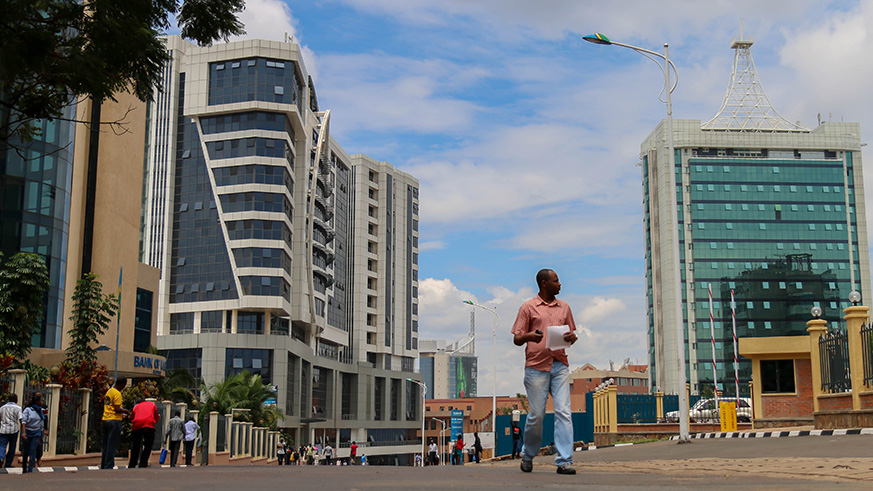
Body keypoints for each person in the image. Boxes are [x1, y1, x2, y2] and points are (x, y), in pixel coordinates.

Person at [511, 268, 578, 475]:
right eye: (556, 281)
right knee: (537, 415)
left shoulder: (564, 307)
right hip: (536, 367)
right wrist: (530, 336)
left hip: (559, 364)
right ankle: (528, 455)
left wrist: (571, 338)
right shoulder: (528, 307)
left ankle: (564, 461)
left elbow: (571, 334)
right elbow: (517, 338)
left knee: (564, 412)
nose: (560, 284)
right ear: (544, 283)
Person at [101, 378, 129, 469]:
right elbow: (117, 409)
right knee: (112, 444)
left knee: (105, 444)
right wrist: (126, 411)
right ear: (122, 384)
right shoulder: (117, 393)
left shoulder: (109, 392)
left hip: (105, 418)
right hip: (114, 420)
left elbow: (109, 406)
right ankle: (108, 465)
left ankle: (104, 464)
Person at [128, 398, 160, 468]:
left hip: (137, 426)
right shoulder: (152, 404)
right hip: (149, 425)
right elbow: (156, 417)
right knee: (148, 445)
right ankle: (143, 463)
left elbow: (131, 418)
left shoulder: (136, 406)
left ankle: (132, 464)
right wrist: (154, 421)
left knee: (135, 446)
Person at [20, 393, 46, 473]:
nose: (42, 402)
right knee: (26, 451)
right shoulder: (28, 410)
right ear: (37, 401)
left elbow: (42, 422)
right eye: (41, 400)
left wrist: (41, 433)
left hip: (36, 433)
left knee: (33, 450)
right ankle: (24, 467)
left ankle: (30, 469)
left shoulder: (40, 410)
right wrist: (24, 432)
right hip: (28, 432)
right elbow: (23, 421)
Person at [0, 394, 22, 468]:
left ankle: (1, 457)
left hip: (3, 430)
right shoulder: (18, 408)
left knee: (2, 445)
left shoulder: (2, 408)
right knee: (12, 447)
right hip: (13, 430)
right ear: (15, 400)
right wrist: (24, 430)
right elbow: (21, 419)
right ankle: (8, 463)